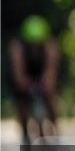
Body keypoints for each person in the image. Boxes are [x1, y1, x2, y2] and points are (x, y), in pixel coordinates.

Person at [8, 15, 60, 143]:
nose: (35, 47)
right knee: (22, 105)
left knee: (50, 98)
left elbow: (51, 68)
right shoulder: (17, 48)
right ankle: (25, 133)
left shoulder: (50, 46)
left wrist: (48, 81)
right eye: (32, 44)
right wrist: (23, 83)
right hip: (25, 73)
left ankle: (55, 127)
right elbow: (18, 73)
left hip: (41, 72)